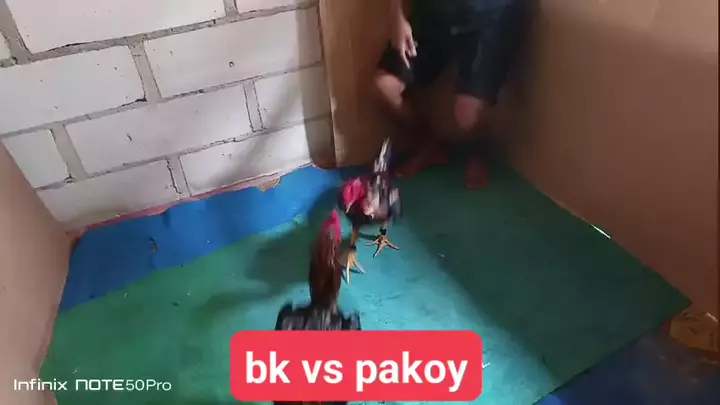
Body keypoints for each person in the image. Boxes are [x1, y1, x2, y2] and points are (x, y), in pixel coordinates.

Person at [375, 0, 529, 189]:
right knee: (384, 87)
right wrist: (397, 19)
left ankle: (478, 150)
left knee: (467, 115)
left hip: (489, 15)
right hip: (435, 13)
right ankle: (427, 146)